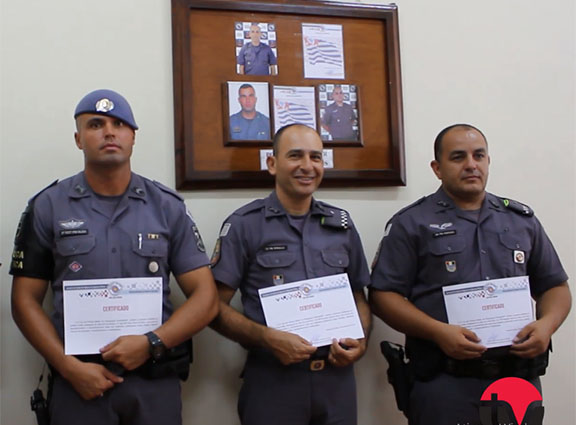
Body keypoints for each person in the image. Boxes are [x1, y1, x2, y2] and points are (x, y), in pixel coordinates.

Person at [10, 89, 219, 425]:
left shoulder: (166, 206)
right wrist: (68, 368)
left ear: (132, 136)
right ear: (79, 139)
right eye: (96, 124)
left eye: (119, 124)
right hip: (78, 381)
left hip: (154, 381)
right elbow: (24, 301)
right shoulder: (48, 206)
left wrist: (152, 343)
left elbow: (206, 298)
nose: (109, 132)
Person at [369, 124, 571, 425]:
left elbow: (555, 287)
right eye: (458, 157)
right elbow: (383, 296)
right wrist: (438, 332)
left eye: (479, 155)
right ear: (437, 168)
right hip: (445, 381)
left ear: (488, 161)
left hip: (515, 378)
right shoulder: (412, 224)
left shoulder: (521, 220)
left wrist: (546, 326)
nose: (471, 164)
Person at [210, 123, 371, 425]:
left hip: (336, 382)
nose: (307, 166)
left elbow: (359, 297)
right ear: (272, 164)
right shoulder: (245, 225)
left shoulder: (342, 225)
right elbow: (212, 307)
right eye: (295, 156)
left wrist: (360, 342)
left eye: (316, 157)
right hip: (273, 381)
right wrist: (266, 338)